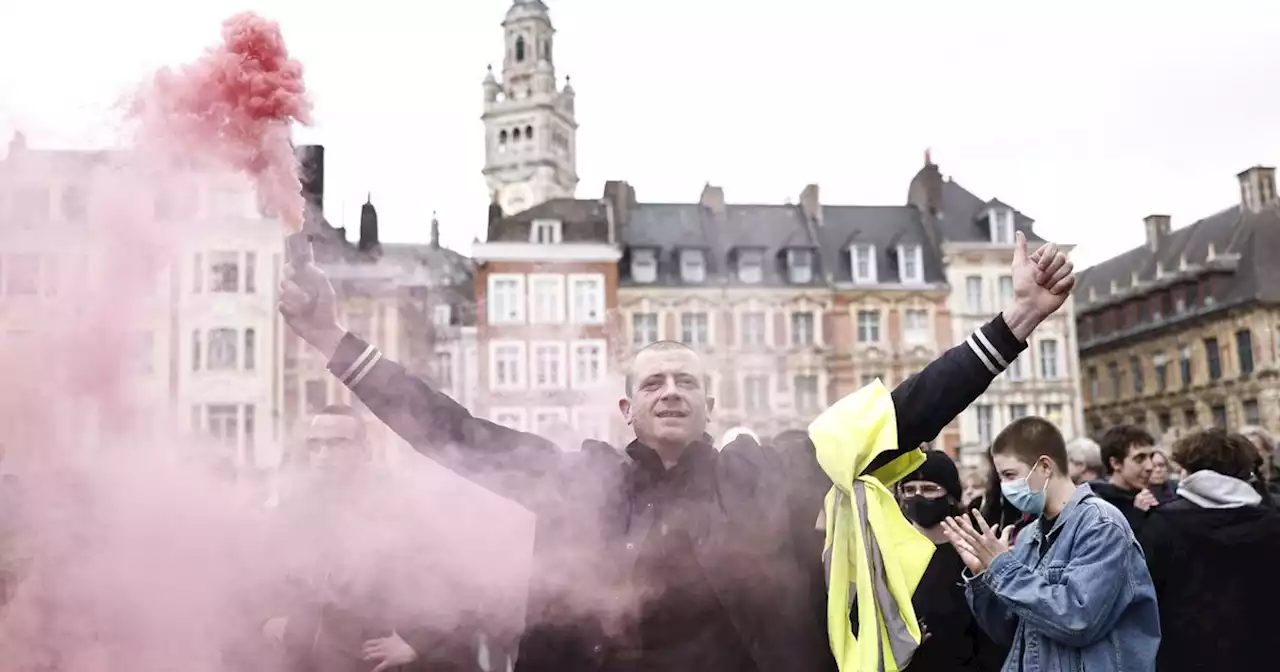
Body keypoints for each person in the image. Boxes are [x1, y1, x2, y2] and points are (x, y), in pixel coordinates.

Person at [279, 231, 1075, 672]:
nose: (669, 390)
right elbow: (451, 433)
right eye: (653, 380)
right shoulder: (576, 481)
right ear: (626, 406)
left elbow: (903, 413)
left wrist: (1015, 323)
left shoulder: (769, 472)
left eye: (685, 381)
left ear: (709, 406)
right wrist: (328, 337)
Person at [260, 405, 482, 672]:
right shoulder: (296, 509)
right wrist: (268, 616)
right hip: (306, 661)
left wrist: (415, 643)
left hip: (368, 662)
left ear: (364, 450)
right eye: (315, 445)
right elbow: (265, 572)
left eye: (336, 444)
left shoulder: (400, 507)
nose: (323, 455)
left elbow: (457, 583)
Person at [941, 417, 1160, 672]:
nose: (1005, 487)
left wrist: (1003, 568)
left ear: (1045, 466)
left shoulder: (1101, 524)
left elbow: (1077, 621)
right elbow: (1009, 632)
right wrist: (984, 575)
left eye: (1010, 475)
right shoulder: (1028, 535)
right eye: (1000, 477)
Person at [1138, 428, 1280, 672]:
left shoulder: (1164, 523)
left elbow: (1142, 597)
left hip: (1186, 656)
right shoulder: (1271, 523)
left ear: (1189, 468)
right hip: (1262, 654)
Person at [896, 451, 1000, 672]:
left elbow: (992, 632)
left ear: (950, 496)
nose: (918, 496)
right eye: (909, 489)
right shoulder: (889, 553)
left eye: (929, 489)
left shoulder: (971, 554)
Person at [1091, 424, 1157, 535]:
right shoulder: (1096, 506)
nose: (1150, 467)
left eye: (1151, 457)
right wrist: (1137, 515)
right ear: (1116, 463)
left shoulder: (1156, 494)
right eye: (1139, 458)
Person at [1237, 425, 1280, 504]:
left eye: (1255, 450)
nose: (1250, 456)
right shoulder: (1239, 485)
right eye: (1245, 451)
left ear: (1268, 451)